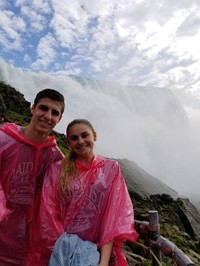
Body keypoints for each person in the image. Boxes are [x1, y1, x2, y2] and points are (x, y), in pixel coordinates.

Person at [37, 118, 139, 266]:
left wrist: (103, 262)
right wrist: (66, 247)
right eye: (74, 138)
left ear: (94, 136)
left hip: (97, 252)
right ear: (68, 143)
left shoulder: (110, 169)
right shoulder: (57, 170)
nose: (80, 141)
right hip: (61, 251)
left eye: (85, 135)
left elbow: (111, 219)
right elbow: (48, 211)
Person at [0, 88, 65, 265]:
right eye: (43, 108)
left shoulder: (56, 157)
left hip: (33, 245)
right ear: (33, 108)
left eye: (54, 113)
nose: (48, 116)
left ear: (59, 119)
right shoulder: (3, 140)